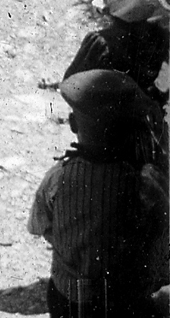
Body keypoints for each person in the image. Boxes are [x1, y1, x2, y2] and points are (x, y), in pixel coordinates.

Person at [28, 70, 169, 318]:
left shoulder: (58, 177)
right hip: (123, 303)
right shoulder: (144, 183)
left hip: (68, 300)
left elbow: (40, 226)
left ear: (72, 124)